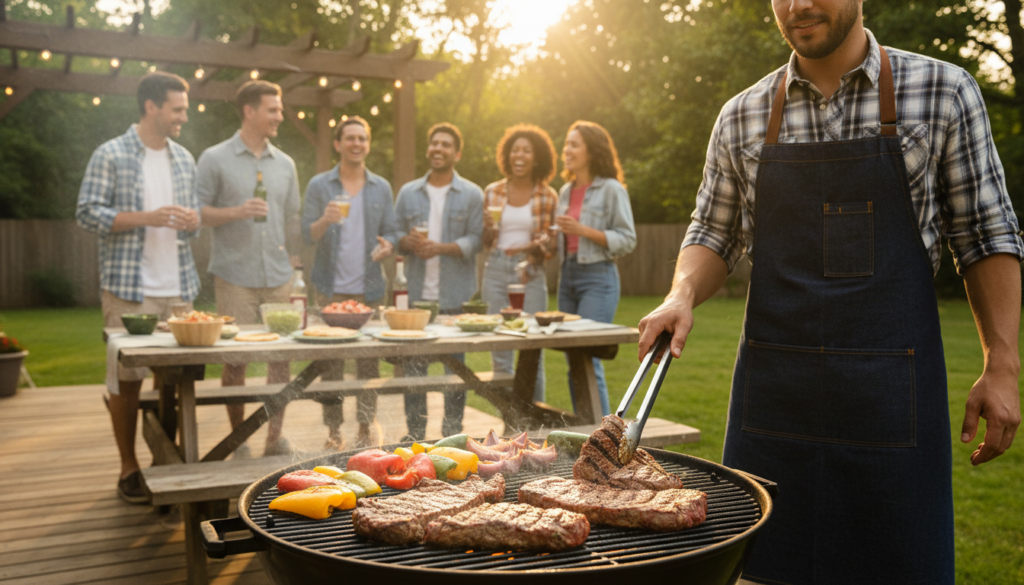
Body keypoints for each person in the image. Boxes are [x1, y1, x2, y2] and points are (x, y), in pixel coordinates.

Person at [637, 2, 1023, 584]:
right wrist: (681, 293)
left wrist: (1001, 362)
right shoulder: (741, 114)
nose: (798, 5)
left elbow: (985, 234)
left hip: (891, 404)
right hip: (774, 405)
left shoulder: (944, 91)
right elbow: (713, 233)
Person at [76, 71, 202, 503]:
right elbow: (87, 212)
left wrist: (193, 219)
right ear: (152, 107)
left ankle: (162, 464)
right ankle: (128, 467)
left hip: (179, 289)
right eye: (178, 108)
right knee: (126, 380)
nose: (184, 115)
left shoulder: (184, 158)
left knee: (175, 381)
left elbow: (195, 216)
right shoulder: (110, 154)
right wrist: (144, 216)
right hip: (129, 290)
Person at [197, 80, 302, 458]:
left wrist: (295, 260)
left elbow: (292, 218)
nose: (279, 116)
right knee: (235, 360)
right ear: (249, 111)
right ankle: (237, 437)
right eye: (273, 109)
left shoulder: (286, 164)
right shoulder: (214, 158)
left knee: (281, 360)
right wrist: (237, 212)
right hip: (233, 275)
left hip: (278, 276)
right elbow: (198, 213)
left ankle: (274, 438)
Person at [302, 115, 398, 449]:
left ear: (367, 144)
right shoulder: (320, 185)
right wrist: (324, 221)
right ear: (338, 144)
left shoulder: (380, 187)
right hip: (331, 287)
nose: (357, 144)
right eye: (350, 138)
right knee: (332, 364)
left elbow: (393, 231)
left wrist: (389, 245)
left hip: (368, 287)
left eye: (362, 138)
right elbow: (306, 234)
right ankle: (333, 431)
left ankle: (364, 427)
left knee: (367, 361)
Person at [394, 122, 484, 440]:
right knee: (414, 371)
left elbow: (476, 239)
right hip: (417, 299)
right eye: (434, 143)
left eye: (446, 144)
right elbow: (394, 235)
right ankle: (415, 434)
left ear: (456, 153)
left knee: (455, 373)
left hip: (455, 297)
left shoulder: (473, 194)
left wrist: (441, 248)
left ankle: (452, 435)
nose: (438, 149)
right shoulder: (408, 193)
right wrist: (408, 243)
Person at [555, 121, 637, 417]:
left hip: (598, 278)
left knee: (588, 356)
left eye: (574, 144)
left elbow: (627, 239)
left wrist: (583, 230)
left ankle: (602, 436)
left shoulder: (611, 189)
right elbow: (565, 236)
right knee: (573, 358)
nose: (567, 150)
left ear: (592, 150)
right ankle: (583, 431)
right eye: (567, 143)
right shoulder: (565, 191)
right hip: (568, 276)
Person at [481, 124, 558, 403]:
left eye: (527, 150)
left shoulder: (547, 195)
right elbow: (486, 240)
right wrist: (489, 228)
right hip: (496, 268)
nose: (520, 155)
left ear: (536, 157)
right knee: (500, 348)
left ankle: (533, 420)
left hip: (530, 271)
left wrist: (529, 250)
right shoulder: (492, 192)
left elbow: (551, 245)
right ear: (507, 155)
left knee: (532, 348)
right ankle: (508, 421)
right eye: (515, 150)